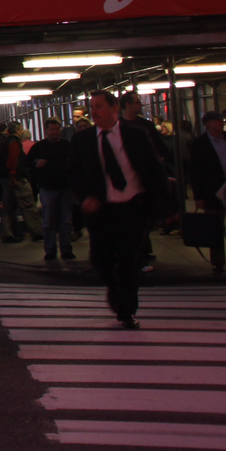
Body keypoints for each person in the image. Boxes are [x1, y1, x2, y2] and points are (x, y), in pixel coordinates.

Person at [70, 90, 170, 328]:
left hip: (132, 207)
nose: (94, 112)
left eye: (99, 106)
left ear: (114, 109)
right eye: (91, 107)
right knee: (100, 259)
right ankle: (115, 287)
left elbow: (154, 170)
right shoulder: (83, 141)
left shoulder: (135, 135)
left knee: (129, 260)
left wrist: (164, 206)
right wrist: (85, 197)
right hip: (102, 210)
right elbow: (74, 174)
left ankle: (126, 310)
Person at [189, 111, 226, 273]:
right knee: (215, 226)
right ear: (208, 124)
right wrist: (199, 196)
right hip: (212, 191)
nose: (221, 123)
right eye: (217, 121)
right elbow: (195, 172)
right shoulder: (199, 144)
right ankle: (218, 260)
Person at [27, 119, 75, 261]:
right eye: (52, 130)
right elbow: (26, 163)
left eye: (56, 129)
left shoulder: (67, 145)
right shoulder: (39, 147)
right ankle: (50, 251)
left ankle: (66, 250)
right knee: (49, 222)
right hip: (47, 188)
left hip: (65, 188)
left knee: (66, 221)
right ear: (46, 130)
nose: (55, 132)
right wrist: (36, 163)